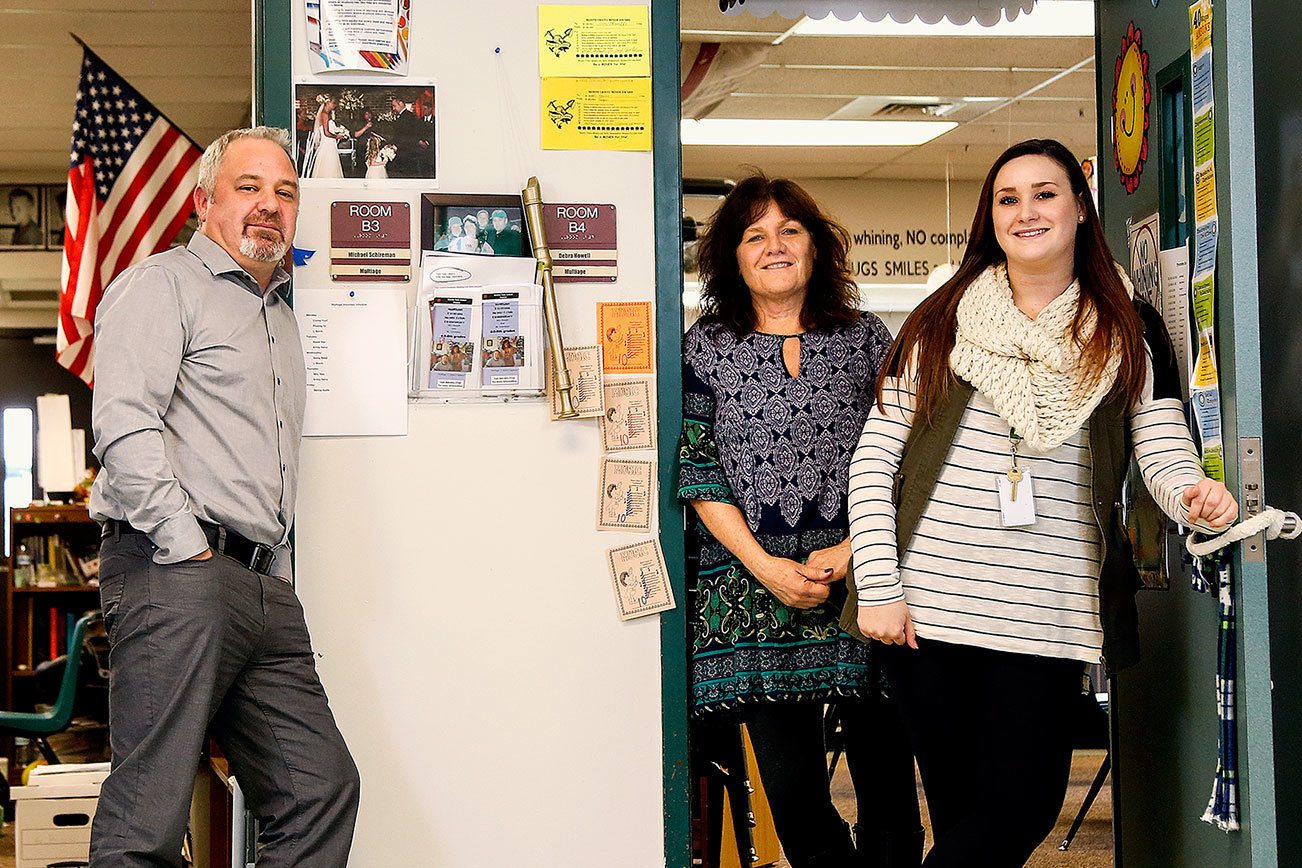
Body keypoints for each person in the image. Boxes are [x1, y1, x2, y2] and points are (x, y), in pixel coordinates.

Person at [848, 138, 1239, 867]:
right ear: (989, 218)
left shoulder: (1125, 326)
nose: (1026, 211)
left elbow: (1159, 446)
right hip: (928, 611)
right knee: (966, 820)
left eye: (1045, 192)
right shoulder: (941, 320)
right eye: (1008, 198)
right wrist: (878, 585)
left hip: (1047, 612)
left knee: (1020, 811)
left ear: (1081, 209)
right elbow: (875, 458)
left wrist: (1194, 497)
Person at [88, 126, 361, 867]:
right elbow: (122, 424)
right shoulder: (163, 284)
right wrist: (190, 548)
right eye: (249, 188)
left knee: (319, 790)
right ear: (205, 200)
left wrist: (269, 575)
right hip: (178, 571)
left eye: (285, 192)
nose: (269, 205)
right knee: (150, 813)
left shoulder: (276, 317)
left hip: (262, 587)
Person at [678, 174, 922, 867]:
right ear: (732, 257)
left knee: (887, 783)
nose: (774, 245)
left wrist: (852, 550)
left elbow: (909, 454)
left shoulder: (865, 338)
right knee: (793, 791)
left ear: (817, 249)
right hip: (750, 591)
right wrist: (766, 568)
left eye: (790, 231)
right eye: (755, 235)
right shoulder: (707, 346)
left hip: (861, 582)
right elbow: (696, 467)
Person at [386, 95, 433, 178]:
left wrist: (395, 144)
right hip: (406, 150)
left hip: (406, 151)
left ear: (401, 103)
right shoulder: (406, 116)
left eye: (394, 106)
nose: (393, 108)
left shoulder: (407, 117)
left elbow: (406, 135)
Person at [305, 94, 344, 179]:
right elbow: (326, 132)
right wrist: (337, 136)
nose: (334, 106)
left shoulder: (326, 114)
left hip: (329, 142)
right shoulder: (324, 114)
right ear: (328, 103)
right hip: (327, 142)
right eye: (333, 103)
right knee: (328, 162)